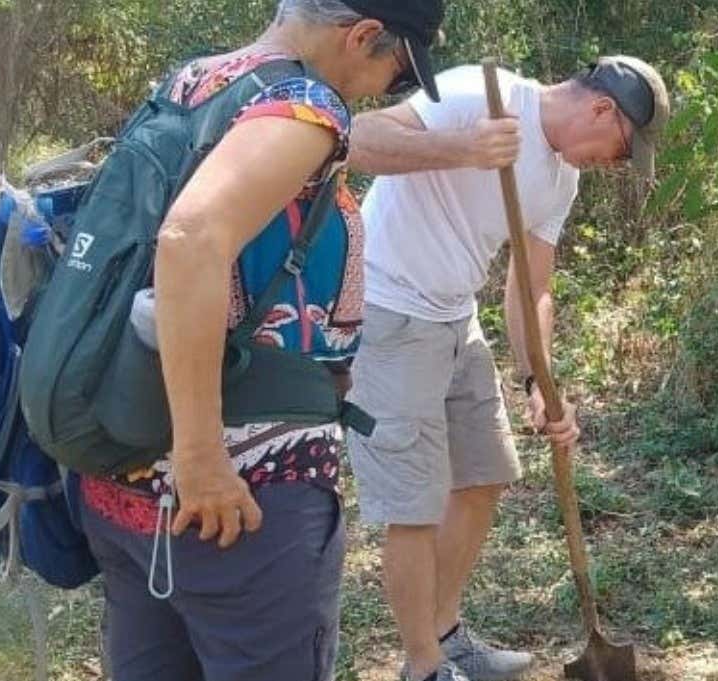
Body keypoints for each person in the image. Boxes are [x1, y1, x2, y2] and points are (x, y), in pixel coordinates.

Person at [73, 1, 447, 680]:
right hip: (238, 499)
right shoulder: (304, 104)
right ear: (362, 35)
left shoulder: (195, 82)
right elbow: (191, 238)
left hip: (127, 479)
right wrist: (201, 456)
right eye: (393, 73)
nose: (377, 95)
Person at [341, 56, 671, 681]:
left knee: (485, 474)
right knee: (414, 503)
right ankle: (423, 666)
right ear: (602, 110)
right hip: (385, 308)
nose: (617, 165)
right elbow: (356, 140)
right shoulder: (479, 94)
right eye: (622, 151)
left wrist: (537, 380)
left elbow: (530, 287)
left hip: (452, 315)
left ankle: (444, 632)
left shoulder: (560, 181)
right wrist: (462, 146)